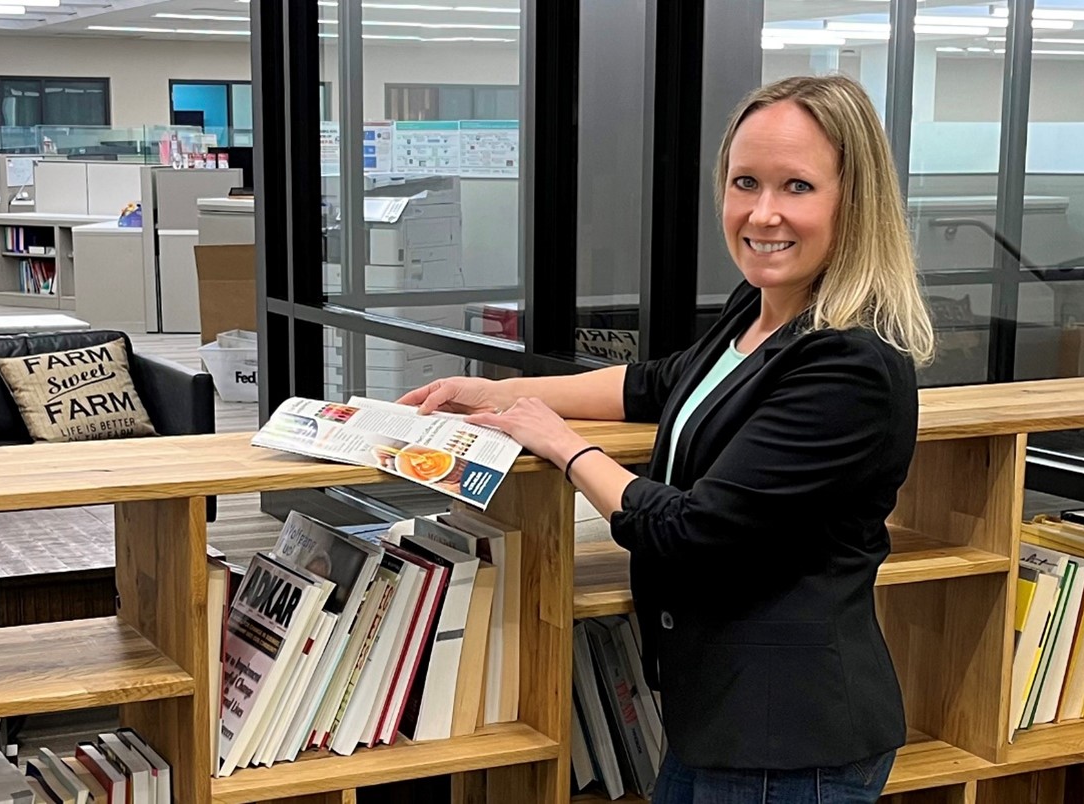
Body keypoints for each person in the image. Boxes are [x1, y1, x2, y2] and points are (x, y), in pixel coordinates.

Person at [398, 74, 934, 804]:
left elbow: (694, 530)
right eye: (745, 182)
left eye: (797, 187)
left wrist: (562, 445)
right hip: (716, 718)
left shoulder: (851, 365)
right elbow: (658, 382)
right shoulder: (762, 309)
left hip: (791, 742)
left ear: (853, 201)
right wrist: (502, 392)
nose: (763, 213)